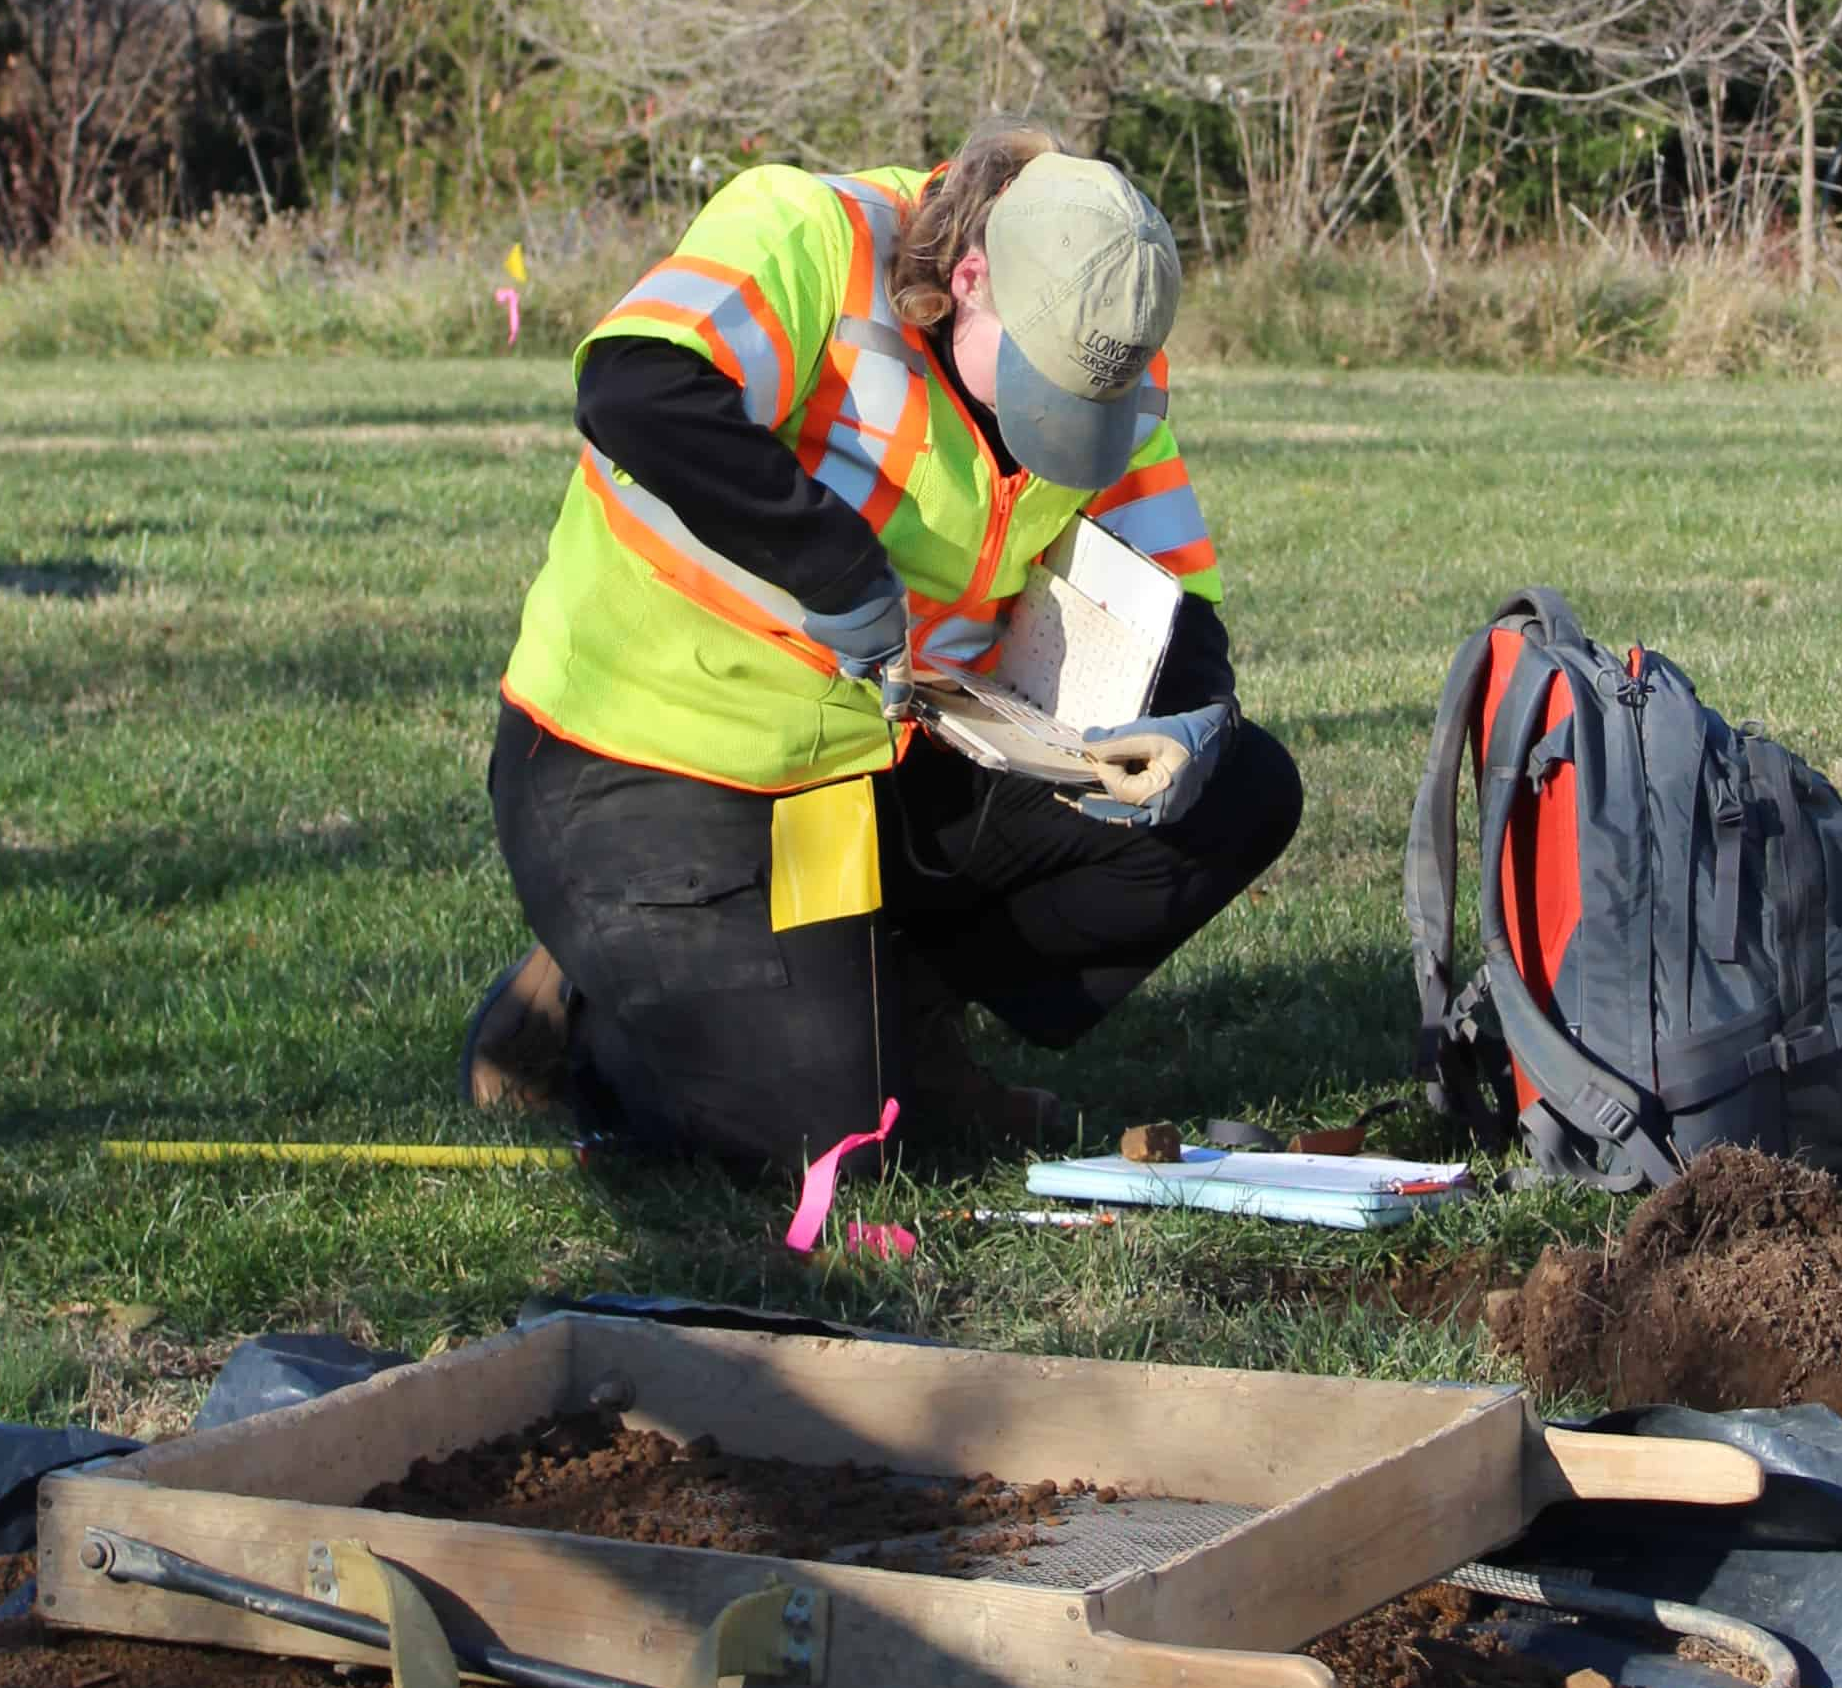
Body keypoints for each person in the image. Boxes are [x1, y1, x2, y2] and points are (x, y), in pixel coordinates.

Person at [464, 124, 1304, 1175]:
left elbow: (1172, 590)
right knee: (817, 1146)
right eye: (1040, 389)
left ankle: (896, 1032)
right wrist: (833, 567)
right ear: (968, 278)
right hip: (644, 761)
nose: (1058, 430)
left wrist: (1188, 717)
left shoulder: (1105, 349)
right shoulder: (806, 233)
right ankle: (575, 1006)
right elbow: (635, 389)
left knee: (1242, 791)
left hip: (882, 764)